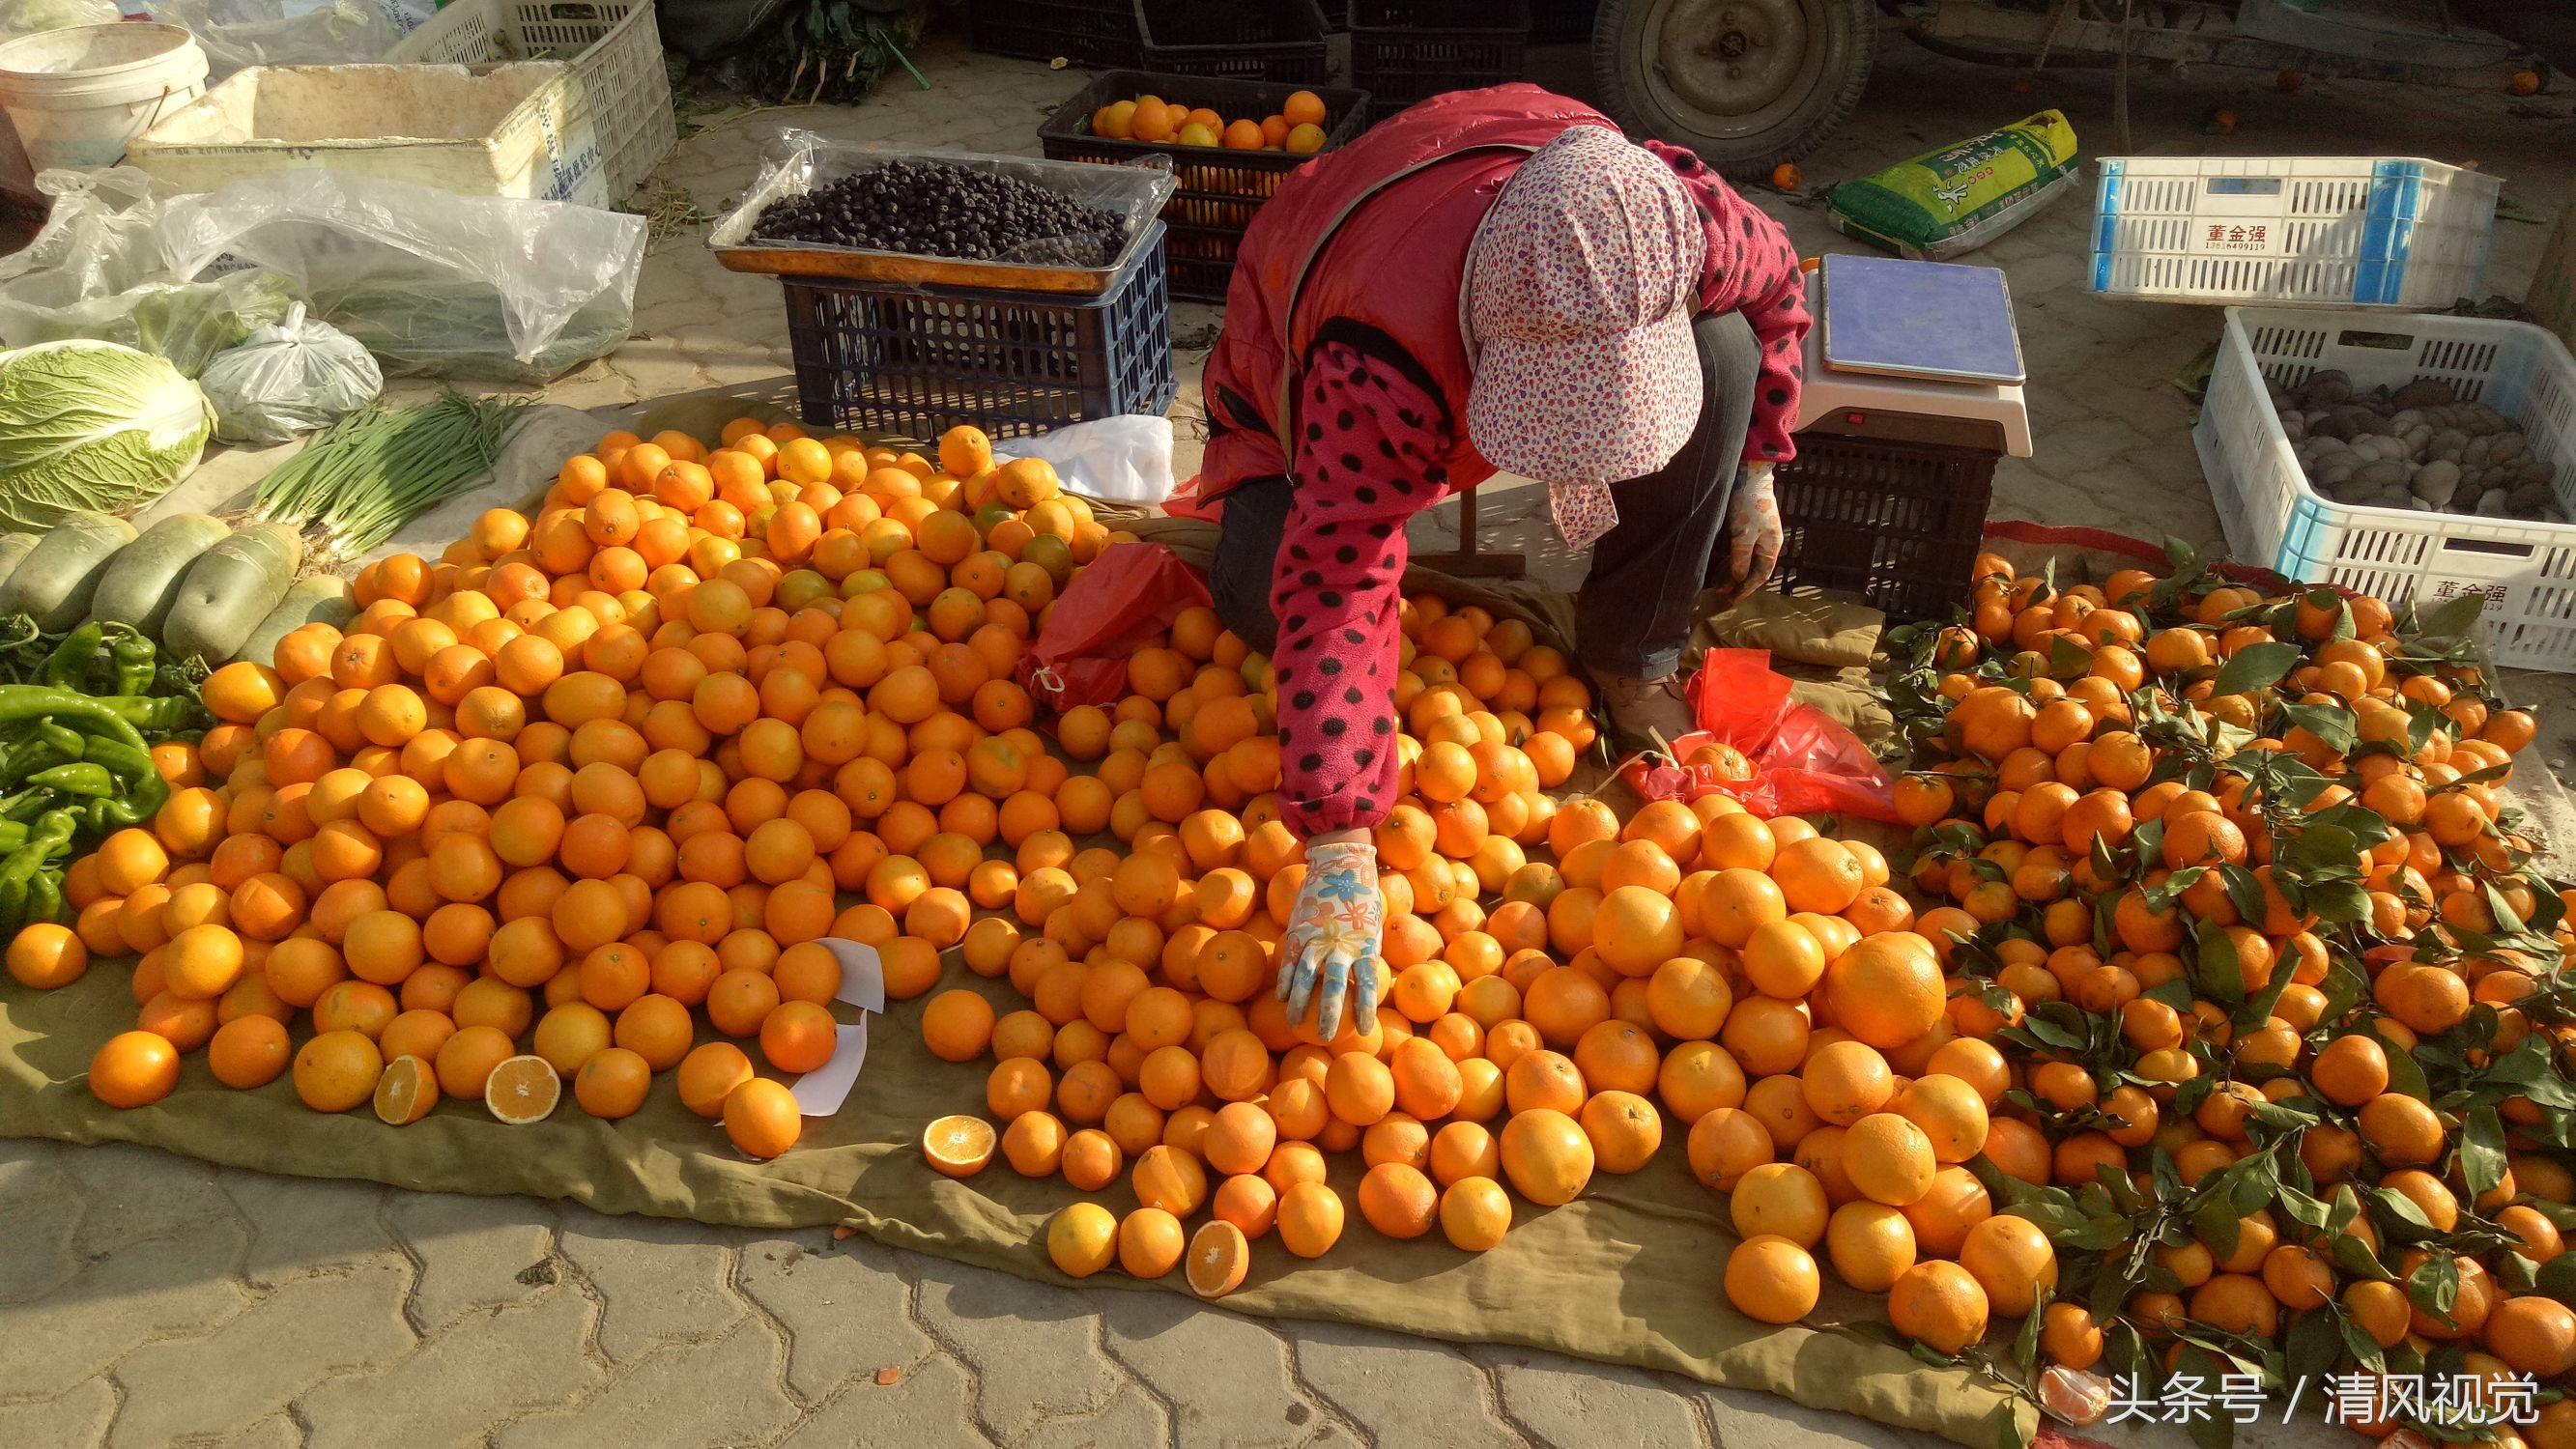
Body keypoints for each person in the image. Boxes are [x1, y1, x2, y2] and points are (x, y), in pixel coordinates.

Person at [1191, 84, 1812, 1037]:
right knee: (1265, 595)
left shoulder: (1671, 221)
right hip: (1305, 362)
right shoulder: (1372, 350)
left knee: (1724, 353)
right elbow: (1337, 578)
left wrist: (1759, 466)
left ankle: (1629, 649)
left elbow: (1774, 292)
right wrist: (1341, 835)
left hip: (1491, 216)